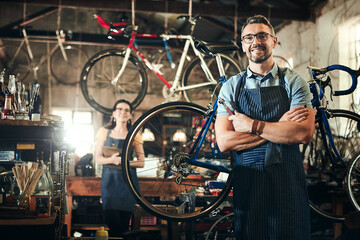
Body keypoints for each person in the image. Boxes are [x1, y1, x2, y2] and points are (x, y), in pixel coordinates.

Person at [215, 15, 315, 239]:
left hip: (287, 180)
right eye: (248, 37)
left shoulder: (293, 81)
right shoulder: (231, 87)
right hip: (249, 181)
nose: (255, 42)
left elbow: (303, 133)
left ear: (274, 41)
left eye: (262, 36)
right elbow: (224, 141)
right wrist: (280, 128)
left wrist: (251, 125)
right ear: (242, 44)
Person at [94, 99, 144, 237]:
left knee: (124, 226)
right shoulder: (103, 132)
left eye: (126, 110)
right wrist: (111, 160)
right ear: (114, 113)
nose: (123, 112)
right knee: (113, 224)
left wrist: (124, 162)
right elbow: (97, 158)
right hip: (110, 185)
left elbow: (141, 162)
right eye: (120, 109)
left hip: (128, 186)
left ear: (130, 115)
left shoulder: (135, 134)